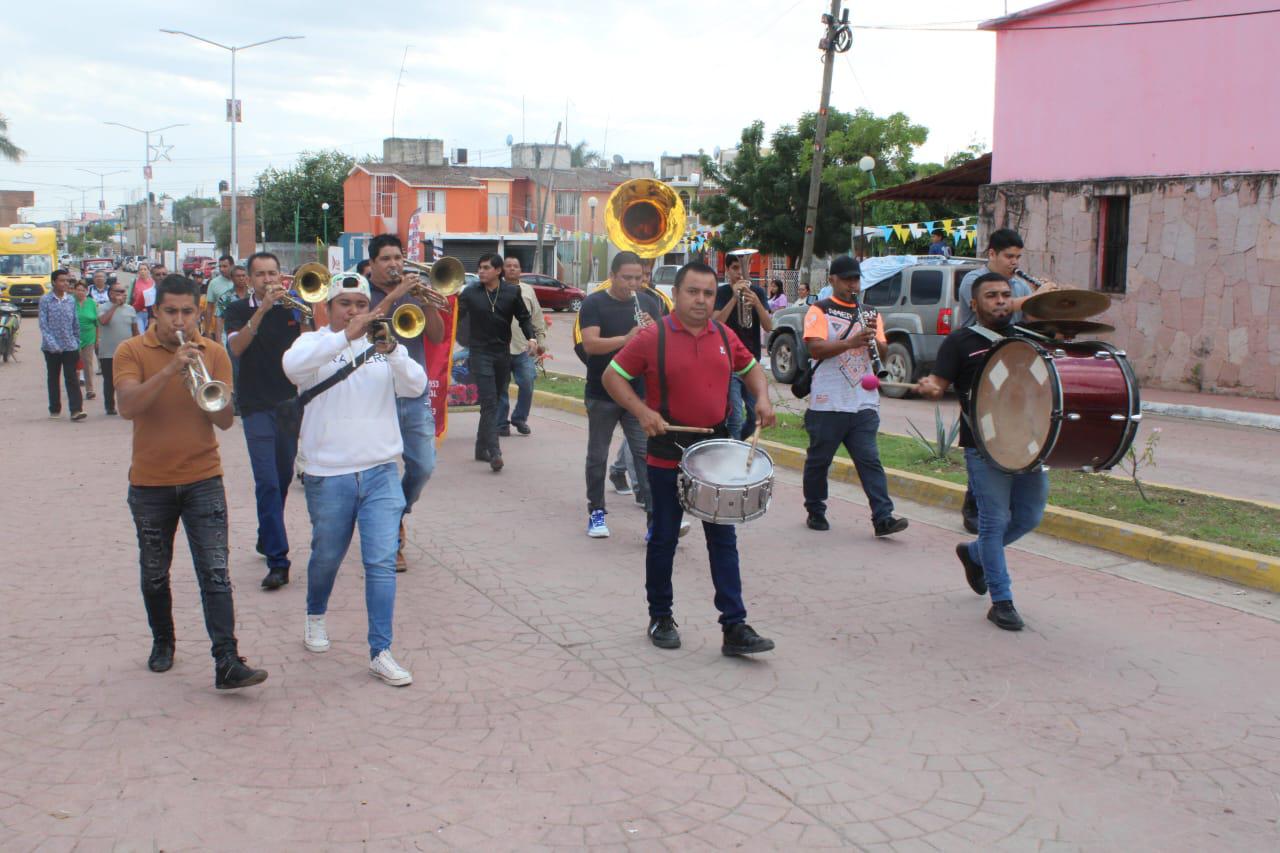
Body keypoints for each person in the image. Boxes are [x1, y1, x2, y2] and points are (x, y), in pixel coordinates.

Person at [604, 261, 778, 657]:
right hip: (668, 453)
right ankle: (660, 616)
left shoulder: (723, 334)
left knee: (723, 539)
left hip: (715, 450)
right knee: (663, 537)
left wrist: (763, 399)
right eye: (693, 292)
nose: (701, 300)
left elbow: (752, 371)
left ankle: (734, 627)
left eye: (707, 293)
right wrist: (643, 412)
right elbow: (612, 377)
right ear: (677, 294)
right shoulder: (654, 337)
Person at [113, 274, 268, 689]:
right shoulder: (131, 350)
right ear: (155, 311)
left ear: (198, 311)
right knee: (154, 573)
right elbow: (127, 406)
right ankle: (163, 640)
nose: (178, 320)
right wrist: (168, 371)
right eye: (170, 311)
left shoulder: (213, 353)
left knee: (215, 572)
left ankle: (227, 660)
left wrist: (200, 382)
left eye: (187, 311)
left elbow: (224, 420)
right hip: (150, 483)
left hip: (203, 479)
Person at [283, 271, 426, 686]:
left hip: (381, 470)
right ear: (327, 309)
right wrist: (346, 337)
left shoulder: (383, 347)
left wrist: (394, 351)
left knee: (380, 561)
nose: (353, 311)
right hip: (329, 474)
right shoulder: (311, 344)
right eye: (344, 303)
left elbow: (415, 387)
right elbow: (293, 370)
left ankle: (380, 650)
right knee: (327, 555)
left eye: (361, 304)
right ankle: (315, 614)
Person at [915, 272, 1046, 632]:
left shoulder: (1029, 339)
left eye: (1006, 294)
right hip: (983, 446)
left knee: (1030, 516)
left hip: (1029, 445)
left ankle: (974, 554)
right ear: (974, 303)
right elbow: (939, 384)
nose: (1001, 301)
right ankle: (1001, 601)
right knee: (994, 522)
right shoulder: (959, 342)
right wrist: (931, 387)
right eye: (991, 295)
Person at [954, 228, 1056, 531]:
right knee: (983, 436)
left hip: (1013, 368)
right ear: (992, 255)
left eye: (1018, 257)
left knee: (1011, 432)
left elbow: (1029, 320)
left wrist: (1054, 303)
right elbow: (999, 307)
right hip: (978, 365)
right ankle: (974, 503)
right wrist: (1033, 299)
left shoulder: (1020, 287)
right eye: (1009, 256)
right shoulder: (975, 281)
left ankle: (999, 499)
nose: (1014, 262)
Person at [801, 256, 909, 537]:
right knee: (819, 461)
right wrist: (850, 342)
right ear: (832, 280)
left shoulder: (871, 312)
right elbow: (815, 349)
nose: (853, 285)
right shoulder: (818, 310)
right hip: (828, 401)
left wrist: (875, 340)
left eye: (856, 279)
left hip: (863, 402)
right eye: (847, 279)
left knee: (869, 460)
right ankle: (815, 509)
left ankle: (883, 516)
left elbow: (884, 352)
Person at [364, 234, 449, 571]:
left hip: (412, 394)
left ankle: (397, 511)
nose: (394, 264)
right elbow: (361, 329)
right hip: (374, 396)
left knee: (424, 464)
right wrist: (395, 296)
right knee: (379, 472)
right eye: (386, 259)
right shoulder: (361, 293)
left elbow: (438, 336)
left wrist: (423, 299)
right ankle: (390, 538)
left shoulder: (414, 293)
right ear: (372, 264)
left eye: (398, 257)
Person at [224, 252, 307, 590]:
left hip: (288, 403)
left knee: (284, 475)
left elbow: (308, 346)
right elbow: (236, 348)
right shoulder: (237, 309)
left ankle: (266, 533)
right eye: (261, 274)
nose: (269, 279)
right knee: (267, 482)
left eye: (274, 273)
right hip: (255, 404)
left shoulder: (293, 306)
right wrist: (261, 310)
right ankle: (278, 560)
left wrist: (306, 314)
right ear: (249, 278)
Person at [578, 251, 663, 538]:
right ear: (612, 276)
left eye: (638, 278)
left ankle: (654, 518)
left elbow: (661, 347)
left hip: (637, 394)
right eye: (627, 278)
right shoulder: (594, 303)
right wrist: (626, 340)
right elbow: (590, 344)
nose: (633, 284)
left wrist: (655, 333)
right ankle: (597, 513)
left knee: (645, 454)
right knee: (598, 455)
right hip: (602, 393)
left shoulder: (649, 302)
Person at [456, 252, 538, 472]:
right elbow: (455, 317)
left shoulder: (512, 292)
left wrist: (531, 337)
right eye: (480, 268)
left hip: (502, 353)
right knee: (490, 402)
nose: (481, 271)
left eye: (485, 268)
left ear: (498, 270)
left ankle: (480, 446)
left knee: (493, 401)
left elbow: (524, 317)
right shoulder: (470, 292)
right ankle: (495, 452)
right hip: (479, 352)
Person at [712, 253, 772, 440]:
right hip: (727, 362)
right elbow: (715, 323)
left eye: (742, 267)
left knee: (755, 416)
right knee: (735, 417)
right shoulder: (721, 293)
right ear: (728, 270)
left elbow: (769, 326)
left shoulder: (758, 292)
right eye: (735, 268)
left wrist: (757, 304)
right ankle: (734, 452)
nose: (739, 272)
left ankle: (734, 443)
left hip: (751, 362)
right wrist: (734, 298)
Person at [498, 255, 547, 437]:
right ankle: (501, 423)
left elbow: (537, 317)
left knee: (527, 383)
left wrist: (540, 342)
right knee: (501, 388)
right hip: (500, 348)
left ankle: (519, 418)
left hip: (523, 348)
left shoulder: (527, 291)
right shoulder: (495, 289)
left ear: (520, 270)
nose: (511, 268)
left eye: (515, 266)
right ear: (502, 269)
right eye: (508, 266)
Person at [39, 269, 86, 421]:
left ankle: (76, 410)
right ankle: (54, 408)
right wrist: (53, 344)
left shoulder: (70, 300)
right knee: (53, 378)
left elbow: (75, 323)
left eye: (67, 280)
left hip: (70, 346)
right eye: (62, 280)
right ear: (54, 282)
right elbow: (43, 325)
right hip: (51, 348)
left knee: (72, 377)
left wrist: (77, 341)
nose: (65, 283)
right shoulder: (45, 300)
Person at [98, 280, 139, 415]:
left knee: (127, 380)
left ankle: (127, 406)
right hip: (108, 352)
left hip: (127, 353)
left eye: (124, 292)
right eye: (119, 292)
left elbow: (135, 330)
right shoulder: (103, 307)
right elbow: (103, 321)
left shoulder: (130, 309)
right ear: (111, 294)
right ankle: (109, 406)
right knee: (109, 381)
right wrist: (115, 306)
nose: (123, 294)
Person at [74, 281, 99, 402]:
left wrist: (97, 339)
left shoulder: (92, 303)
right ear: (74, 291)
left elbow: (97, 322)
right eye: (78, 289)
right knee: (74, 364)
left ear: (86, 291)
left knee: (88, 364)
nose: (80, 292)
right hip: (73, 338)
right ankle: (74, 389)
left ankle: (90, 390)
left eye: (82, 290)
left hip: (89, 337)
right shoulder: (70, 303)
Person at [203, 255, 236, 339]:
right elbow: (209, 308)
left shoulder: (242, 281)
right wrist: (207, 331)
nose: (221, 269)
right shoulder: (213, 283)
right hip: (221, 330)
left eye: (225, 266)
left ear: (232, 266)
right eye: (220, 266)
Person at [129, 264, 155, 333]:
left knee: (150, 333)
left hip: (150, 313)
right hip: (138, 312)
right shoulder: (134, 282)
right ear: (138, 271)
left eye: (145, 269)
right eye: (141, 269)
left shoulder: (153, 282)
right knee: (141, 333)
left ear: (148, 271)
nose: (142, 271)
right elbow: (129, 297)